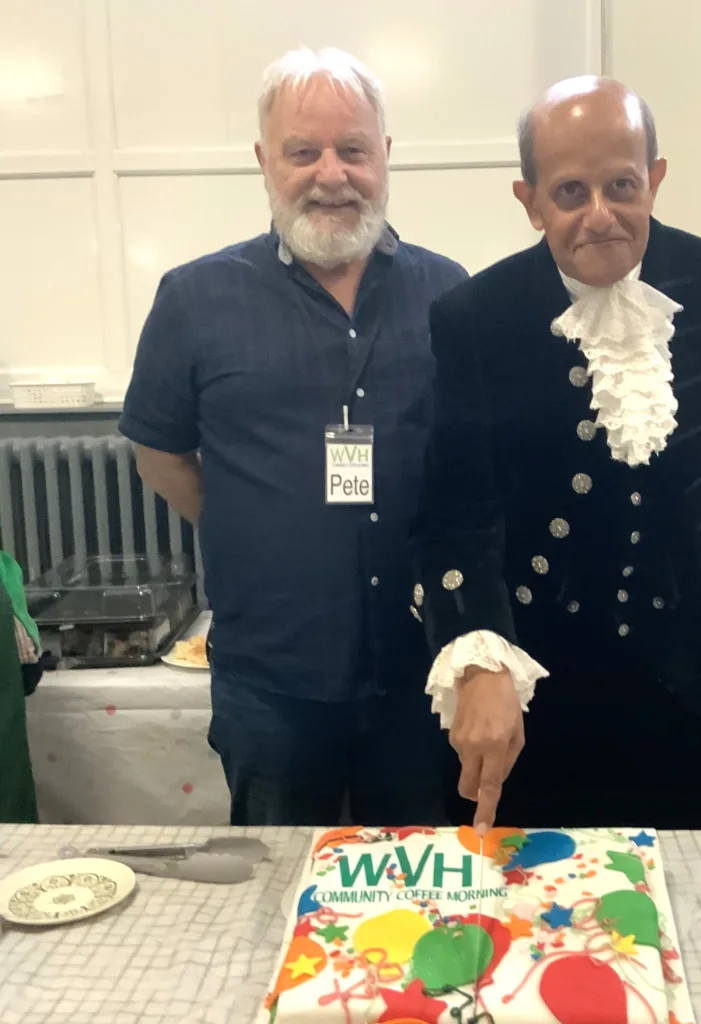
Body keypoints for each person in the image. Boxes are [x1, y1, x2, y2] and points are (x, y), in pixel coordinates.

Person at [414, 77, 701, 831]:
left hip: (684, 679)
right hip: (534, 688)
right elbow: (458, 510)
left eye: (622, 185)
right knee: (530, 918)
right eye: (571, 191)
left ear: (655, 177)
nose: (600, 216)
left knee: (665, 912)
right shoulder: (474, 317)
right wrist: (480, 657)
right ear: (530, 200)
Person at [120, 48, 466, 826]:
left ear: (386, 157)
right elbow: (160, 455)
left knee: (419, 900)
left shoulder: (450, 296)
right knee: (275, 902)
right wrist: (253, 526)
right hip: (271, 682)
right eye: (302, 151)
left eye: (353, 149)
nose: (330, 174)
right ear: (264, 162)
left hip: (422, 672)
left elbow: (471, 473)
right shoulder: (194, 299)